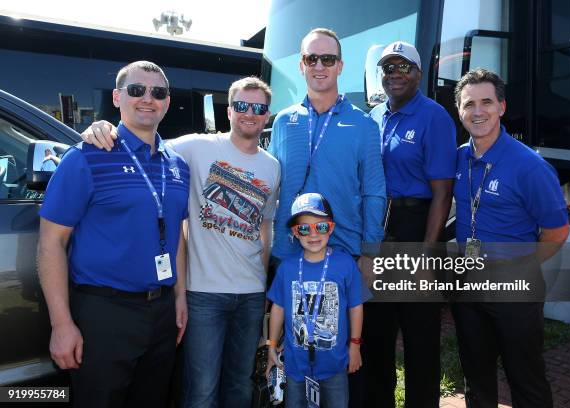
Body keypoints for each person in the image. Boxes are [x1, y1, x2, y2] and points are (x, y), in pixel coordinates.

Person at [80, 76, 280, 408]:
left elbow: (264, 227)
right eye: (242, 105)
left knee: (239, 385)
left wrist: (261, 284)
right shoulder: (196, 146)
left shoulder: (272, 166)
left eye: (258, 108)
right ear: (229, 110)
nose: (250, 113)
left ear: (267, 115)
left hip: (250, 295)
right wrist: (102, 128)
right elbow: (142, 140)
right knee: (201, 390)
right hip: (203, 294)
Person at [37, 60, 190, 408]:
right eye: (137, 90)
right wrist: (61, 325)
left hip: (162, 312)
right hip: (104, 314)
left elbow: (177, 234)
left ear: (167, 101)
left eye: (158, 92)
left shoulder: (177, 165)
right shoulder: (87, 157)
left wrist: (179, 296)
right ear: (118, 97)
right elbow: (50, 244)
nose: (147, 98)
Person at [267, 28, 385, 406]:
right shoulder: (285, 122)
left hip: (344, 253)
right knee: (292, 350)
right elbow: (268, 183)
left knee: (343, 357)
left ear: (341, 67)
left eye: (328, 59)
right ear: (301, 65)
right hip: (290, 254)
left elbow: (374, 191)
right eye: (312, 59)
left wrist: (369, 253)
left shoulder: (364, 125)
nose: (319, 66)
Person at [451, 68, 569, 407]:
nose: (477, 111)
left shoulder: (529, 166)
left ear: (502, 106)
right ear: (459, 111)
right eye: (468, 104)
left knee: (525, 378)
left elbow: (557, 231)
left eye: (486, 102)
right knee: (475, 377)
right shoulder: (458, 158)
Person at [365, 41, 457, 407]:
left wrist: (427, 254)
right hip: (377, 230)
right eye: (388, 68)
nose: (395, 75)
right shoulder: (373, 117)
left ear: (419, 74)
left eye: (404, 68)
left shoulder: (434, 117)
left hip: (415, 227)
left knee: (419, 340)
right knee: (375, 336)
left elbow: (443, 193)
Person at [266, 193, 365, 408]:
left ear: (331, 227)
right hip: (295, 366)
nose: (312, 234)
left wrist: (355, 346)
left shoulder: (345, 264)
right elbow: (278, 308)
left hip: (334, 365)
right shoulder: (287, 268)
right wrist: (271, 345)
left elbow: (356, 307)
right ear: (294, 232)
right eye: (304, 228)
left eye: (320, 227)